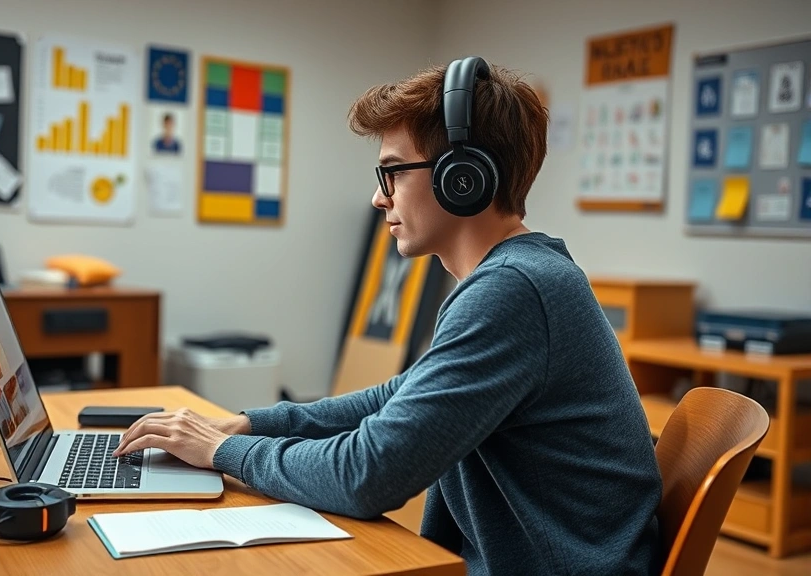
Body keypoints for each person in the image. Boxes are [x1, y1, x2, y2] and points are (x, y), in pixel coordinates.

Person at [114, 57, 663, 575]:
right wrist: (252, 424)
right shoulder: (520, 275)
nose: (380, 199)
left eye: (393, 172)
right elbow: (398, 397)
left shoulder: (513, 290)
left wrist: (223, 451)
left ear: (463, 177)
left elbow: (368, 475)